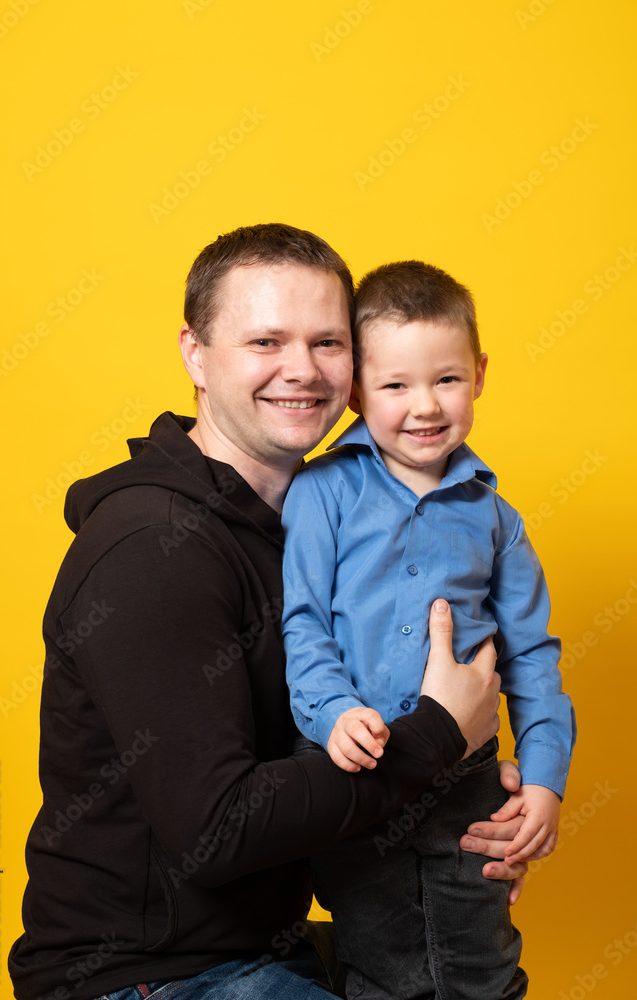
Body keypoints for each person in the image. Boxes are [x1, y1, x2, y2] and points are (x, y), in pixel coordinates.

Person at [9, 226, 531, 1000]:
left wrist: (454, 816)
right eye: (265, 340)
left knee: (459, 963)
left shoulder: (321, 528)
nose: (302, 370)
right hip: (149, 976)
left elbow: (335, 740)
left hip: (264, 942)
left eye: (327, 342)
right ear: (194, 353)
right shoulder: (157, 549)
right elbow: (220, 830)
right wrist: (433, 738)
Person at [282, 259, 577, 998]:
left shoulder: (496, 520)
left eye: (445, 379)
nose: (424, 406)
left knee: (480, 962)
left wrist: (542, 780)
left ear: (478, 374)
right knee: (380, 962)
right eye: (394, 385)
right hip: (356, 771)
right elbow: (302, 622)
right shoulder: (320, 493)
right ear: (355, 390)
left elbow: (534, 656)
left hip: (465, 784)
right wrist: (332, 712)